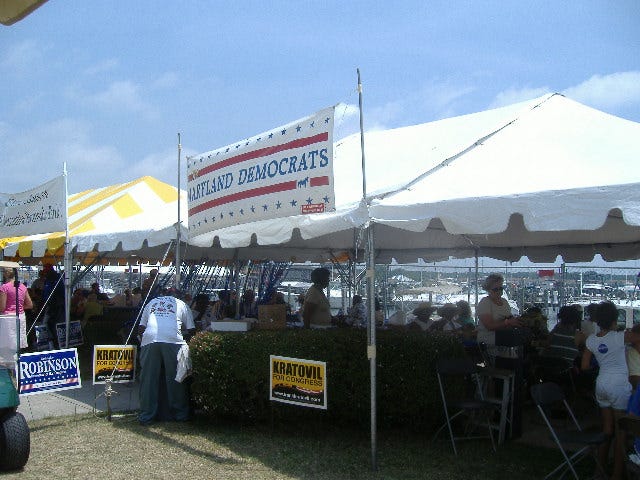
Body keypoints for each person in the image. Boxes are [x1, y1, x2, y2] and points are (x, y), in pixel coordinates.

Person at [582, 301, 640, 480]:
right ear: (615, 319)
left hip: (602, 384)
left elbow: (584, 366)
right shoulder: (620, 337)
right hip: (619, 386)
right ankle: (616, 474)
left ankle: (599, 471)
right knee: (621, 432)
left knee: (607, 430)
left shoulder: (591, 339)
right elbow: (637, 338)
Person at [138, 289, 195, 425]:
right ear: (179, 296)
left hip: (149, 339)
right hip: (173, 339)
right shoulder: (181, 304)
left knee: (148, 380)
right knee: (176, 378)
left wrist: (144, 343)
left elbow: (141, 328)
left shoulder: (152, 302)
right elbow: (192, 330)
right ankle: (180, 414)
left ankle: (146, 416)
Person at [475, 273, 522, 346]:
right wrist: (508, 322)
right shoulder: (485, 303)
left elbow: (509, 318)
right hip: (489, 339)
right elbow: (489, 326)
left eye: (501, 288)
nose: (499, 291)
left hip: (505, 335)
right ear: (488, 290)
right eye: (495, 289)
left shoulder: (504, 301)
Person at [0, 267, 33, 352]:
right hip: (20, 316)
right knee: (19, 341)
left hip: (8, 317)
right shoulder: (22, 287)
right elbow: (30, 305)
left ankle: (10, 363)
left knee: (8, 344)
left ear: (5, 274)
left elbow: (2, 307)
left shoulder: (4, 287)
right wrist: (19, 307)